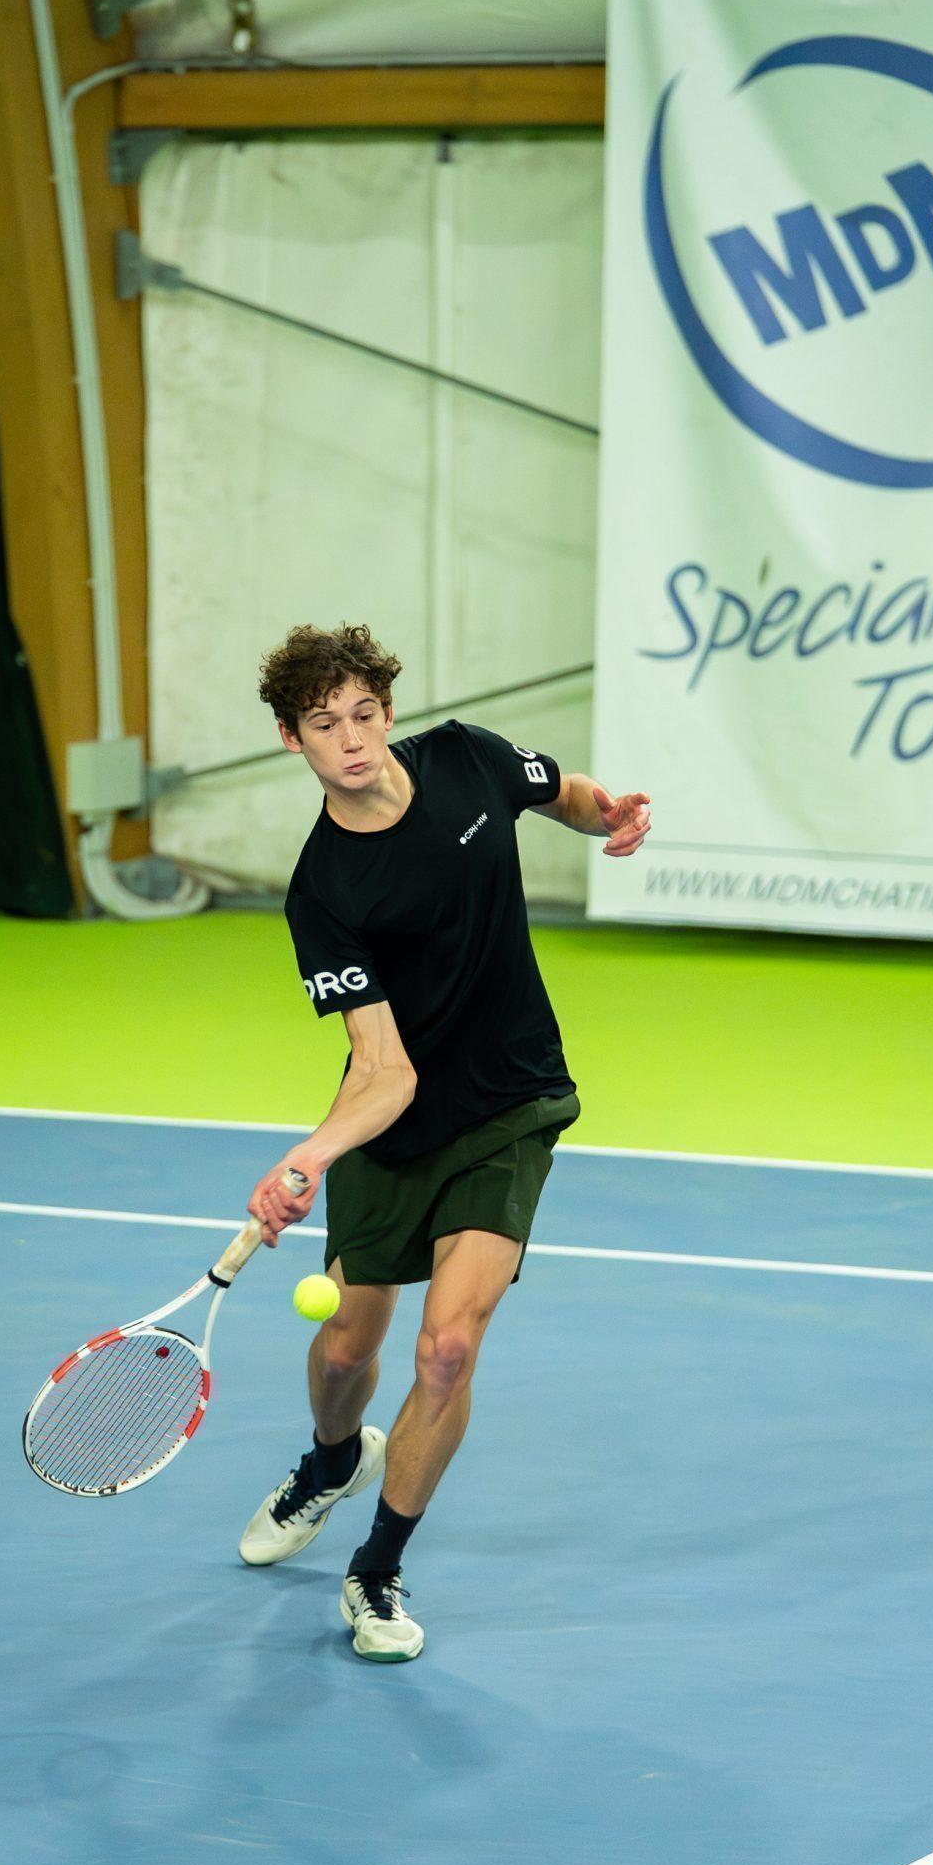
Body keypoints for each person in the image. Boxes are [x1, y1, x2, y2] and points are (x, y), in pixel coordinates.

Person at [238, 621, 652, 1662]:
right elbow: (385, 1070)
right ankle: (333, 1460)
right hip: (394, 1121)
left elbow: (559, 789)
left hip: (512, 1101)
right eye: (323, 725)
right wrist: (311, 1154)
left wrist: (606, 814)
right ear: (292, 739)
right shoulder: (323, 892)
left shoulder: (467, 758)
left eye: (363, 714)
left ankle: (375, 1570)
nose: (351, 740)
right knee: (346, 1350)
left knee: (448, 1347)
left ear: (388, 711)